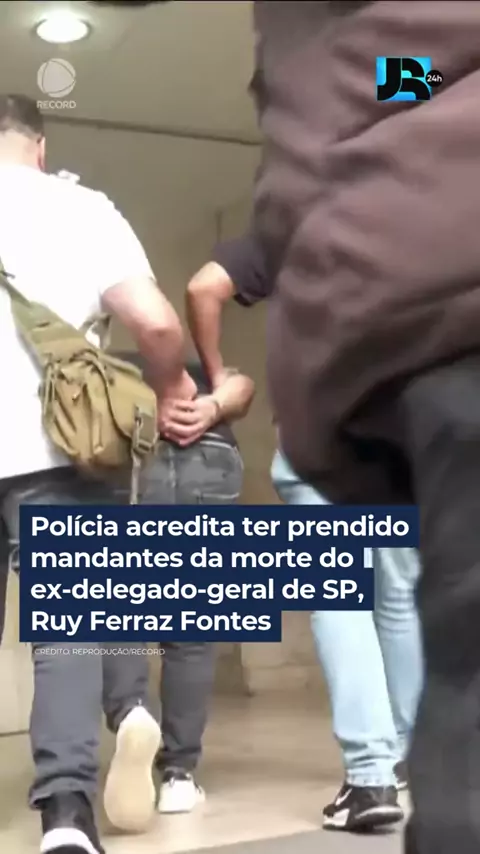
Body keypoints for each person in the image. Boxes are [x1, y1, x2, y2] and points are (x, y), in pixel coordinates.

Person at [249, 2, 480, 852]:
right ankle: (411, 762)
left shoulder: (371, 66)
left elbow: (385, 75)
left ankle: (373, 771)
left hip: (403, 367)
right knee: (413, 602)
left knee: (352, 600)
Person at [0, 93, 196, 854]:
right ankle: (66, 817)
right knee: (69, 635)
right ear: (40, 146)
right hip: (59, 449)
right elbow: (155, 320)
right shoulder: (82, 209)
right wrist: (172, 387)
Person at [186, 233, 422, 831]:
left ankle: (369, 779)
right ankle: (409, 757)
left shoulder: (293, 220)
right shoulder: (416, 213)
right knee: (398, 596)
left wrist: (219, 376)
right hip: (400, 434)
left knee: (340, 598)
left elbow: (204, 286)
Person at [100, 352, 252, 830]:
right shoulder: (200, 367)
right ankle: (179, 776)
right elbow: (243, 386)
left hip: (132, 451)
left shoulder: (106, 364)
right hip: (210, 452)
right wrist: (213, 407)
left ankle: (131, 713)